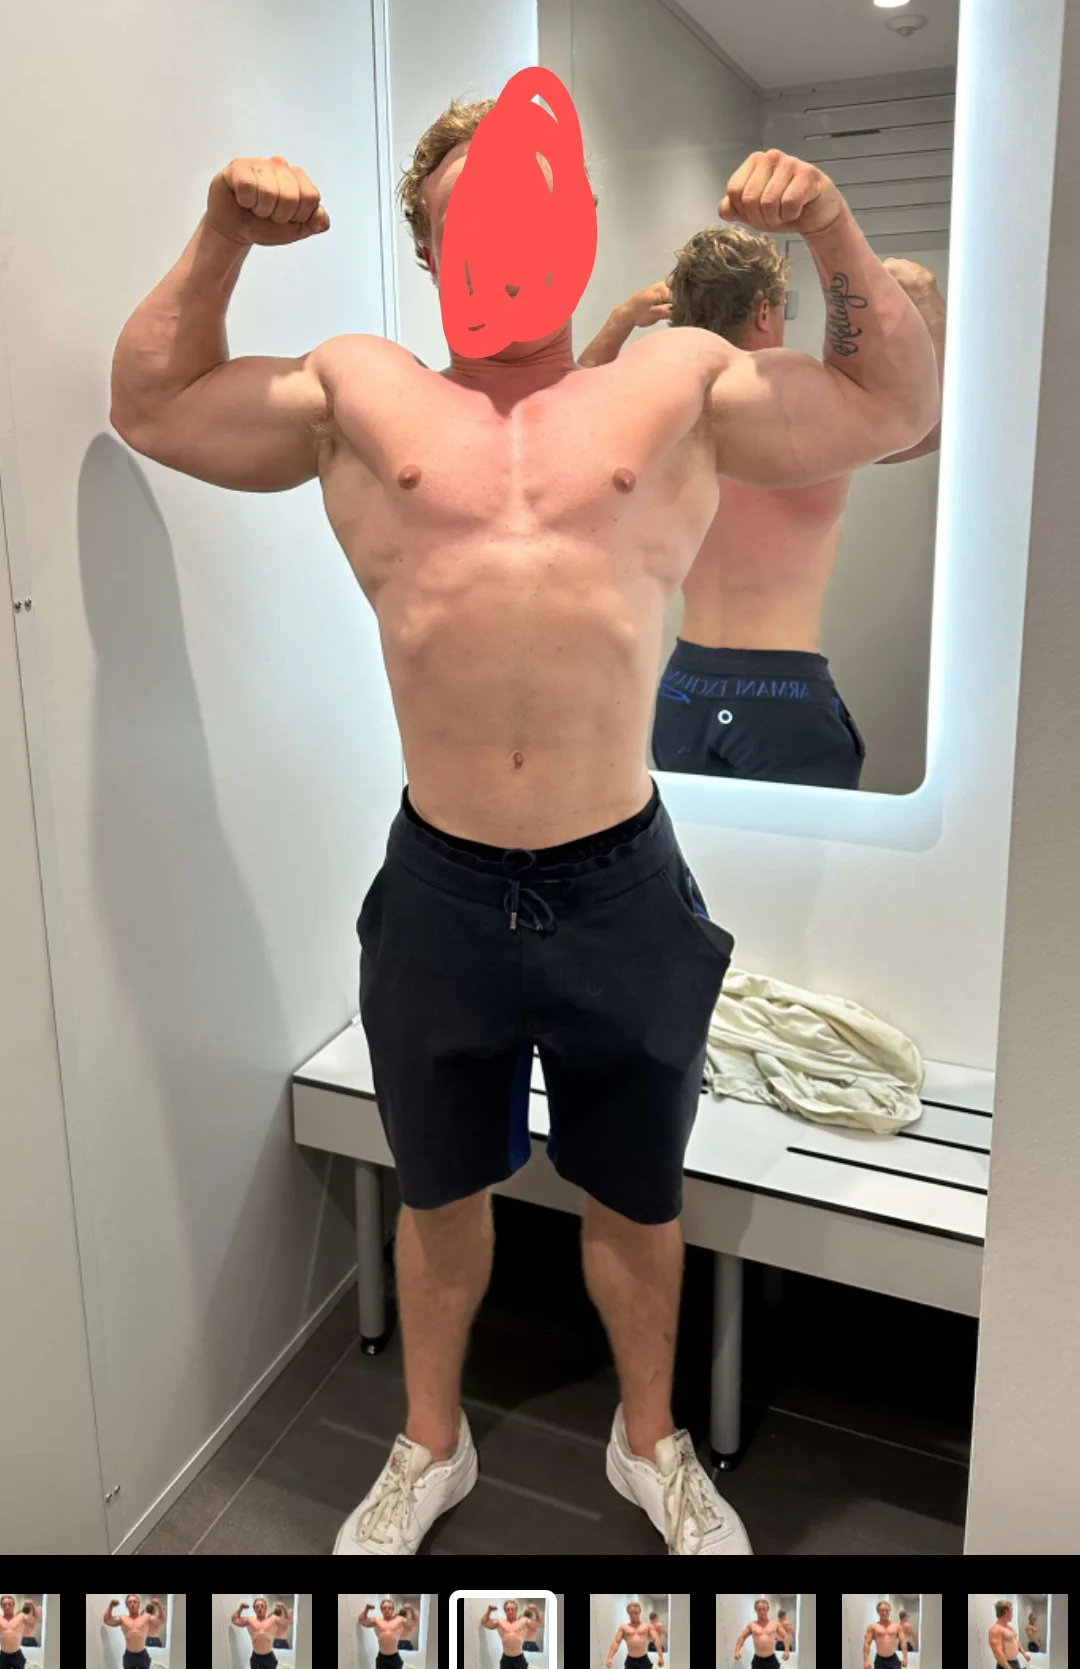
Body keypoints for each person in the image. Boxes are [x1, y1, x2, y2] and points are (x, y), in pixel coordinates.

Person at [110, 111, 938, 1561]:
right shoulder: (361, 392)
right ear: (431, 248)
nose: (497, 233)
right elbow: (156, 404)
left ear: (576, 225)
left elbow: (889, 405)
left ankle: (649, 1441)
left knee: (637, 1188)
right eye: (465, 214)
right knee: (438, 1188)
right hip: (440, 880)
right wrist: (225, 235)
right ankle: (430, 1444)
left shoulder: (671, 382)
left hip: (621, 878)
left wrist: (828, 228)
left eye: (527, 204)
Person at [582, 233, 946, 788]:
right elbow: (925, 425)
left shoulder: (656, 410)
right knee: (799, 850)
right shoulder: (813, 405)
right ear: (763, 310)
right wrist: (924, 303)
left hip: (684, 691)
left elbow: (572, 407)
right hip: (782, 699)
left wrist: (620, 321)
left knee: (706, 845)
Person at [232, 1596, 293, 1669]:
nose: (259, 1608)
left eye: (262, 1606)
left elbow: (290, 1621)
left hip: (269, 1656)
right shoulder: (250, 1620)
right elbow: (234, 1619)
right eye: (257, 1606)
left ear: (266, 1608)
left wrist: (283, 1607)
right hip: (256, 1656)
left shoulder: (273, 1619)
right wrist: (241, 1608)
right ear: (254, 1609)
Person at [360, 1596, 420, 1669]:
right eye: (384, 1608)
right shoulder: (376, 1620)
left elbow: (415, 1622)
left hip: (394, 1657)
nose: (387, 1610)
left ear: (393, 1609)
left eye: (389, 1608)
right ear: (381, 1610)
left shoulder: (400, 1620)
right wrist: (367, 1608)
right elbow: (362, 1621)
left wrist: (411, 1608)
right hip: (382, 1657)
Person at [481, 1600, 543, 1669]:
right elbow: (484, 1623)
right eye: (508, 1609)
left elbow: (539, 1624)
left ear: (516, 1610)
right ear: (505, 1611)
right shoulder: (500, 1622)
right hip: (506, 1658)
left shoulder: (523, 1621)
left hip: (519, 1658)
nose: (510, 1612)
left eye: (512, 1609)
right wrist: (489, 1610)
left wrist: (536, 1609)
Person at [606, 1598, 665, 1669]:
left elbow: (656, 1639)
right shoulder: (624, 1628)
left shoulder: (647, 1626)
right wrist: (610, 1657)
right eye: (631, 1613)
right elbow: (616, 1642)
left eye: (635, 1613)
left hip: (643, 1660)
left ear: (639, 1613)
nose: (633, 1615)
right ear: (628, 1613)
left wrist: (660, 1656)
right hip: (630, 1660)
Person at [735, 1596, 789, 1669]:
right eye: (759, 1609)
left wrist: (786, 1651)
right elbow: (742, 1637)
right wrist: (737, 1650)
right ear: (756, 1610)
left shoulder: (775, 1623)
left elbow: (785, 1636)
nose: (761, 1612)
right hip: (758, 1660)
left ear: (768, 1609)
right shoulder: (752, 1625)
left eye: (764, 1609)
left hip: (771, 1659)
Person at [105, 1595, 158, 1669]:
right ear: (126, 1605)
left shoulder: (145, 1618)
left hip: (143, 1654)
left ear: (138, 1604)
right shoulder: (123, 1619)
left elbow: (158, 1621)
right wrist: (111, 1605)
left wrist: (159, 1607)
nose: (132, 1604)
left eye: (134, 1602)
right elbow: (107, 1620)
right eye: (130, 1602)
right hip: (129, 1655)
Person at [863, 1599, 909, 1669]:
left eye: (886, 1610)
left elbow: (903, 1642)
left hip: (893, 1659)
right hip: (880, 1659)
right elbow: (867, 1643)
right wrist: (866, 1660)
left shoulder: (896, 1626)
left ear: (889, 1611)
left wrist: (905, 1657)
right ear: (878, 1612)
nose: (884, 1612)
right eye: (881, 1610)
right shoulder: (873, 1627)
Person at [0, 1596, 41, 1669]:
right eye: (4, 1604)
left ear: (13, 1606)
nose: (7, 1606)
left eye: (9, 1604)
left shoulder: (21, 1616)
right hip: (4, 1654)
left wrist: (32, 1605)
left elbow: (36, 1620)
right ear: (1, 1606)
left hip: (16, 1654)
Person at [989, 1600, 1026, 1669]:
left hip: (1015, 1662)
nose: (1012, 1614)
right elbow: (997, 1652)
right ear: (1006, 1612)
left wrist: (1024, 1653)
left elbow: (1016, 1641)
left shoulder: (1009, 1628)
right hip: (1005, 1665)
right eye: (1011, 1611)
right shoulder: (995, 1630)